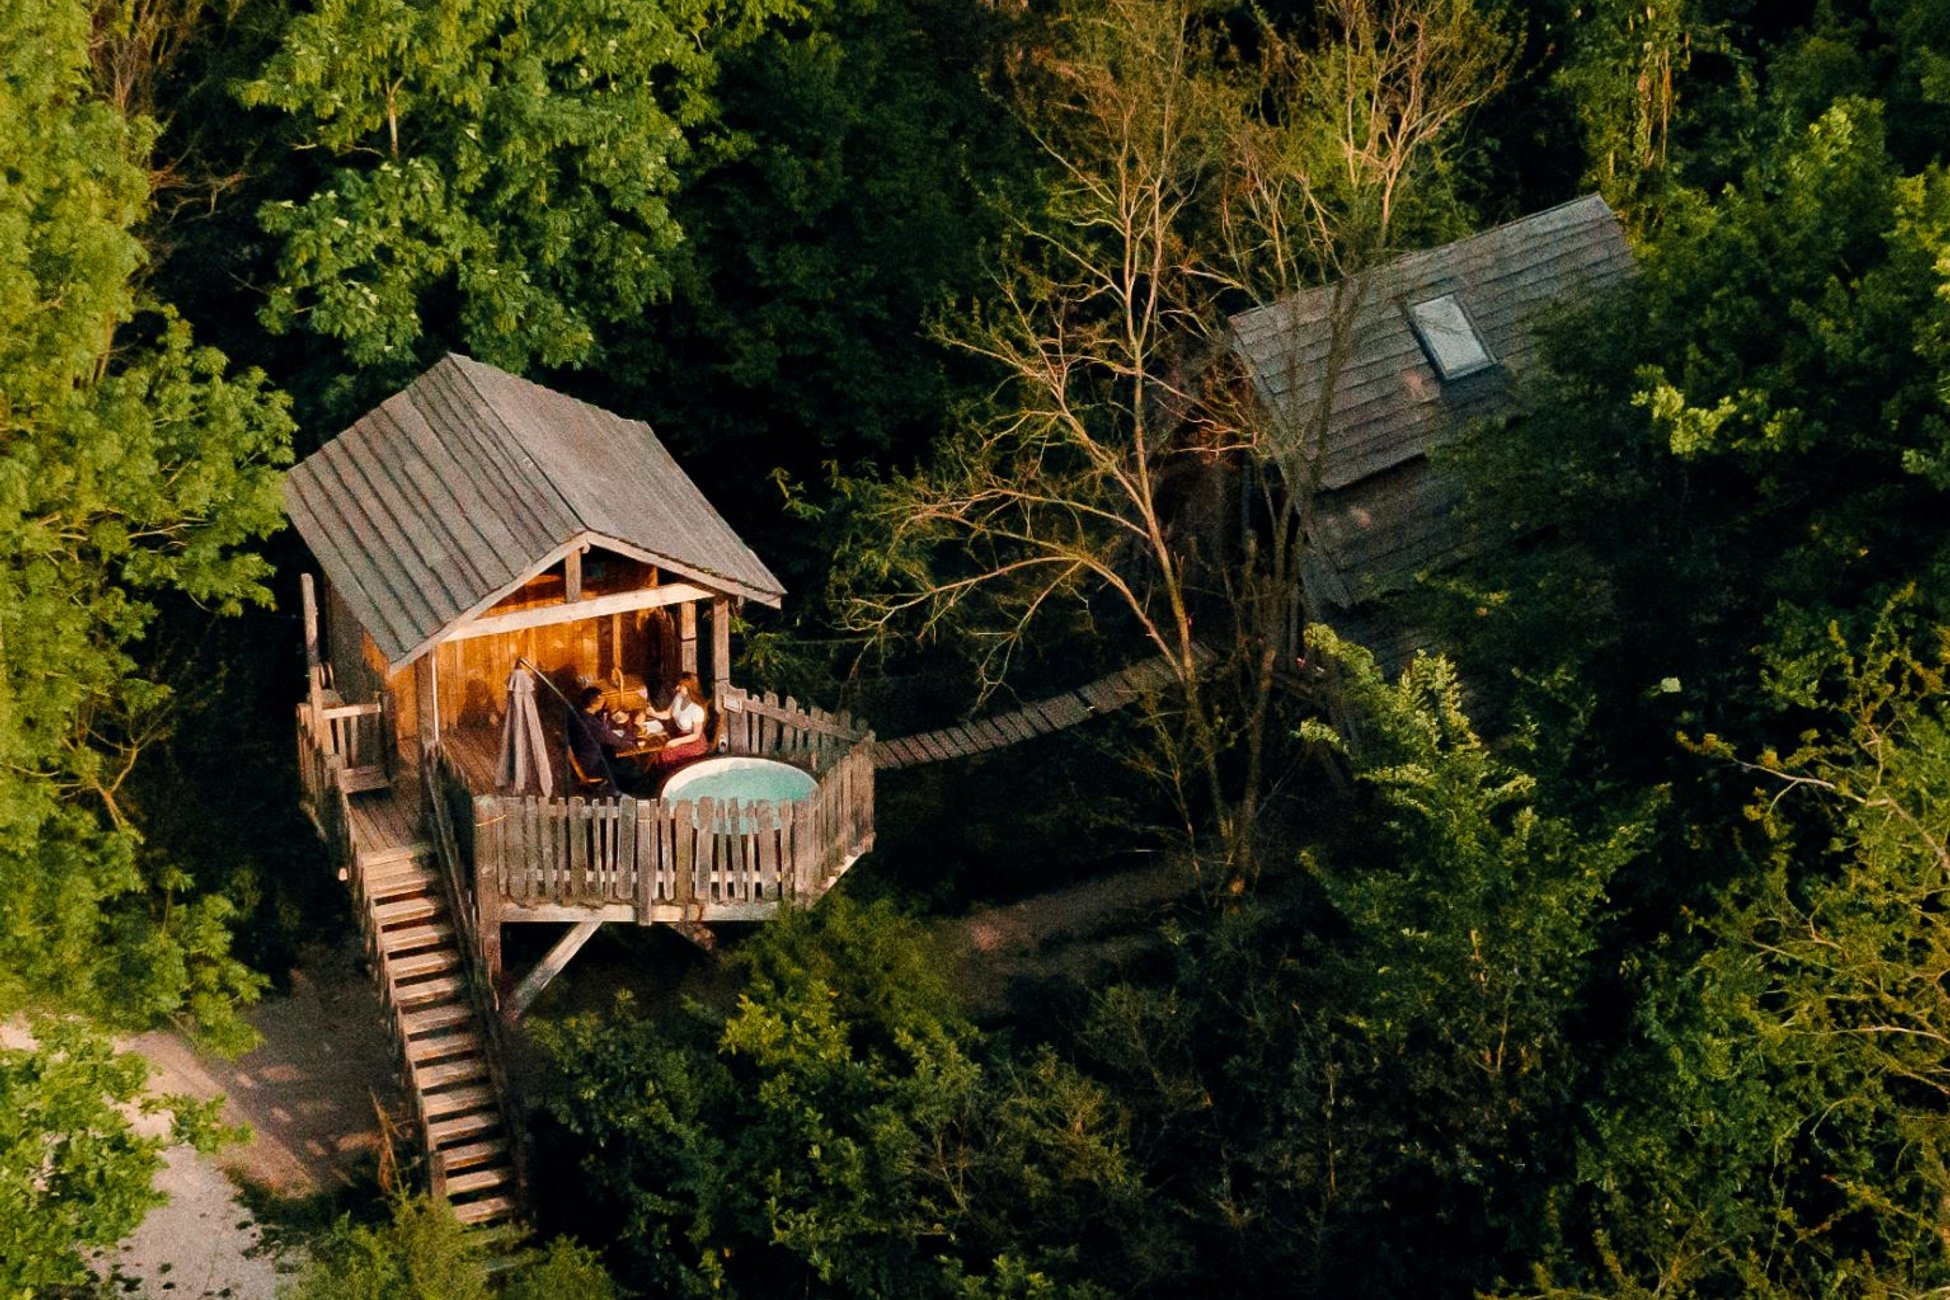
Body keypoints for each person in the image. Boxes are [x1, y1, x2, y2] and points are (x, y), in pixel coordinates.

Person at [646, 673, 711, 777]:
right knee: (658, 750)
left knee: (666, 754)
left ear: (689, 687)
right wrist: (654, 713)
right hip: (680, 736)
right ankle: (662, 778)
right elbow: (668, 714)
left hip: (694, 742)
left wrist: (676, 741)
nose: (677, 688)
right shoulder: (679, 697)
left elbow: (695, 735)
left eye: (680, 686)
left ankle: (672, 778)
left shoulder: (697, 709)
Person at [566, 684, 630, 789]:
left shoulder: (577, 713)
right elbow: (620, 742)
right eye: (601, 698)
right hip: (591, 765)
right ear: (595, 704)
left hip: (579, 755)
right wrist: (636, 727)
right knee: (628, 770)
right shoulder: (593, 726)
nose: (604, 700)